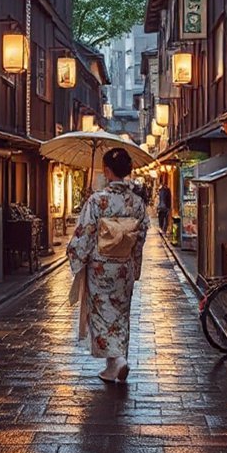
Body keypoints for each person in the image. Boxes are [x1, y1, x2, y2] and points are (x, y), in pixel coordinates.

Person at [66, 148, 150, 383]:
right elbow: (141, 235)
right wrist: (134, 263)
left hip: (100, 268)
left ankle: (116, 361)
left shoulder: (97, 200)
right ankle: (115, 361)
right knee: (120, 313)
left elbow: (85, 234)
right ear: (129, 171)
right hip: (124, 267)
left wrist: (77, 257)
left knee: (102, 314)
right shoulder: (137, 203)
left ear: (106, 170)